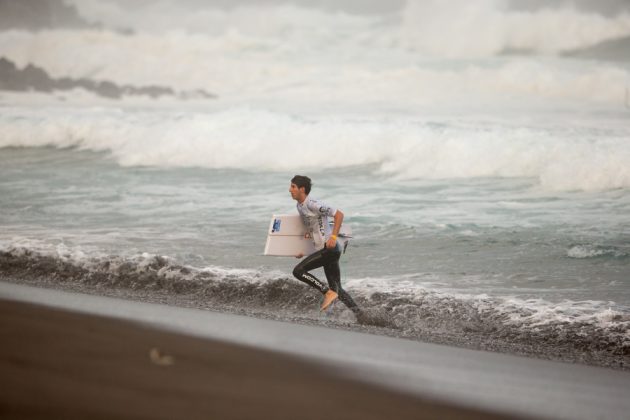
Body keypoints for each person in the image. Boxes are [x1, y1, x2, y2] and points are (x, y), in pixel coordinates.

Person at [289, 175, 360, 314]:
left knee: (298, 271)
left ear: (302, 189)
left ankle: (326, 292)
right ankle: (360, 314)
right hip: (325, 251)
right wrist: (304, 251)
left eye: (293, 187)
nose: (289, 190)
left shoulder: (313, 204)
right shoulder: (300, 206)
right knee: (337, 289)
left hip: (330, 249)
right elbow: (314, 231)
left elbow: (339, 214)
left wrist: (333, 237)